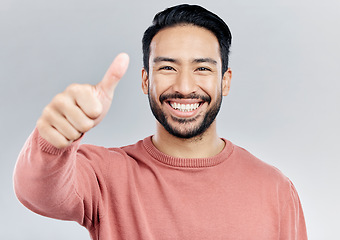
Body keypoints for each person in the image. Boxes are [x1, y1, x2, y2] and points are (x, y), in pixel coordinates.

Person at [13, 4, 308, 240]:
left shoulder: (275, 189)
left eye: (202, 67)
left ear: (225, 81)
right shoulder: (106, 175)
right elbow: (35, 191)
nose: (184, 86)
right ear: (145, 80)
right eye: (167, 67)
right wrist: (53, 142)